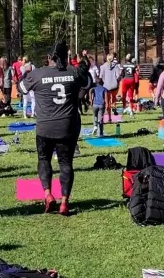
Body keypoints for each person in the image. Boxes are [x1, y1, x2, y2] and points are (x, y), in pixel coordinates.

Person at [19, 42, 84, 216]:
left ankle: (48, 194)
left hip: (45, 127)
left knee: (43, 159)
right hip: (67, 126)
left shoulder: (37, 74)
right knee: (66, 163)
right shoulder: (73, 72)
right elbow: (87, 83)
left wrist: (25, 72)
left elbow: (21, 88)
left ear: (49, 58)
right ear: (65, 57)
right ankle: (64, 201)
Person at [99, 53, 122, 121]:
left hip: (106, 86)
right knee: (114, 98)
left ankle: (109, 117)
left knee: (107, 101)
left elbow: (101, 77)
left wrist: (104, 81)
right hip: (114, 86)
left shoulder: (102, 66)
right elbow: (118, 76)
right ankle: (114, 106)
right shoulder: (116, 66)